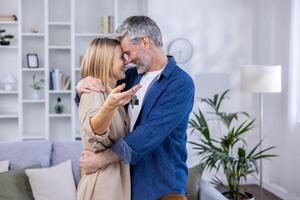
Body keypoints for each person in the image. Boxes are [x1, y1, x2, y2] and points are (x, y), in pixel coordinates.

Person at [77, 16, 195, 200]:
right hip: (128, 184)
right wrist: (81, 88)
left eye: (128, 52)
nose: (128, 60)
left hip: (162, 186)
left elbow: (148, 134)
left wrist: (101, 159)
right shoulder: (131, 76)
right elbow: (100, 98)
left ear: (145, 42)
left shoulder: (180, 83)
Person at [77, 38, 141, 200]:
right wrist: (109, 107)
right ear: (105, 61)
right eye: (121, 57)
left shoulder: (111, 93)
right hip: (102, 186)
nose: (126, 61)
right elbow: (92, 131)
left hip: (114, 182)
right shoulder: (93, 92)